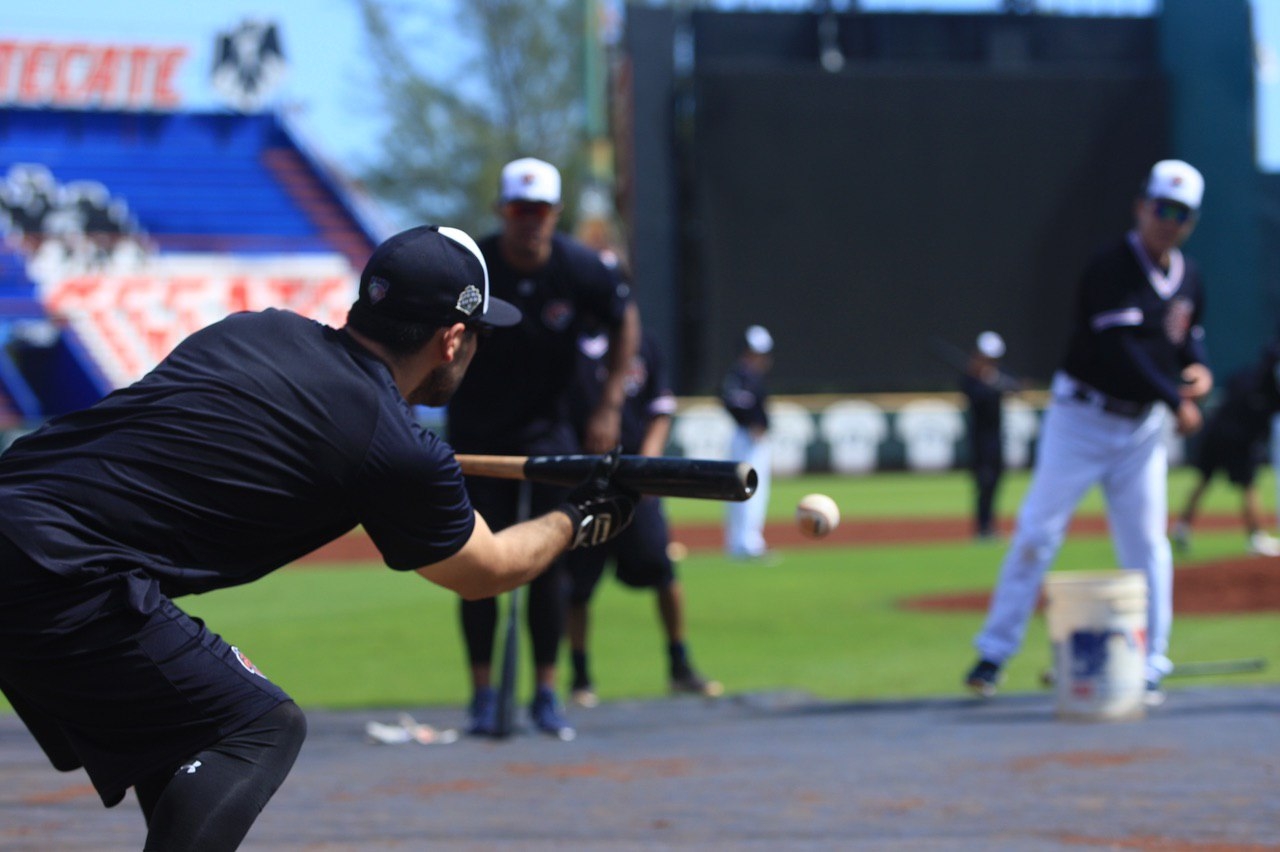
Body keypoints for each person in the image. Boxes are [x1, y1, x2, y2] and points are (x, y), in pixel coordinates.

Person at [0, 224, 638, 850]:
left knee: (184, 727)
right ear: (452, 340)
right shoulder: (395, 448)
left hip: (23, 523)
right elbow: (487, 569)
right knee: (258, 727)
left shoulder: (253, 329)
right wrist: (579, 518)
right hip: (59, 568)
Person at [963, 159, 1213, 708]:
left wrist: (1198, 370)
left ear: (1191, 221)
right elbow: (1123, 352)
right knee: (1037, 532)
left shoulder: (1188, 275)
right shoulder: (1110, 268)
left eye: (1180, 213)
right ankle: (994, 652)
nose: (1167, 220)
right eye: (1160, 207)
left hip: (1140, 431)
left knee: (1148, 544)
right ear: (1140, 206)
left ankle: (1150, 661)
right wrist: (1176, 399)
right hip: (1082, 419)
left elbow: (1185, 338)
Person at [445, 157, 640, 740]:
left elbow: (625, 320)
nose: (529, 222)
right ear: (502, 211)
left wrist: (607, 405)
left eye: (540, 211)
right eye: (518, 210)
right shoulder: (474, 267)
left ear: (556, 214)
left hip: (548, 431)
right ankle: (482, 694)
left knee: (546, 567)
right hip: (478, 433)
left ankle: (547, 693)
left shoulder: (583, 269)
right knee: (476, 564)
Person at [565, 328, 723, 707]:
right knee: (576, 586)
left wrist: (648, 465)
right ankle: (580, 676)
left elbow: (660, 410)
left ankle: (680, 665)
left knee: (663, 573)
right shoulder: (570, 342)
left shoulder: (644, 343)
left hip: (637, 486)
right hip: (584, 484)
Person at [1171, 339, 1280, 557]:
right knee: (1248, 485)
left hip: (1215, 434)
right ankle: (1256, 537)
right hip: (1236, 440)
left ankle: (1182, 526)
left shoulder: (1245, 376)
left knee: (1203, 481)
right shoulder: (1265, 390)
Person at [721, 325, 775, 560]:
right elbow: (730, 401)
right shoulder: (740, 375)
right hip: (746, 438)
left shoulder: (750, 376)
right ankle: (746, 543)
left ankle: (742, 542)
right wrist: (751, 422)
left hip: (751, 438)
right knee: (749, 488)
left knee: (749, 488)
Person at [960, 330, 1019, 540]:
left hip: (996, 438)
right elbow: (974, 396)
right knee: (983, 482)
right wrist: (987, 384)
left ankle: (990, 525)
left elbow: (1016, 385)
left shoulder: (997, 374)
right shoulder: (971, 376)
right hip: (979, 439)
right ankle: (982, 527)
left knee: (996, 481)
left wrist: (997, 381)